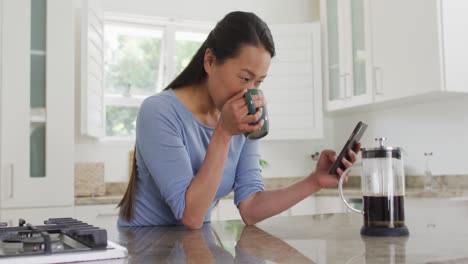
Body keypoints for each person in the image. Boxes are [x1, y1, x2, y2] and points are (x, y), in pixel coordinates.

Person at [117, 11, 360, 229]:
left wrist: (315, 181)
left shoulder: (242, 118)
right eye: (245, 78)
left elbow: (251, 208)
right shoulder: (158, 112)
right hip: (146, 247)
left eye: (259, 82)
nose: (250, 92)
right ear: (210, 61)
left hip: (195, 247)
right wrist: (223, 133)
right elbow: (191, 216)